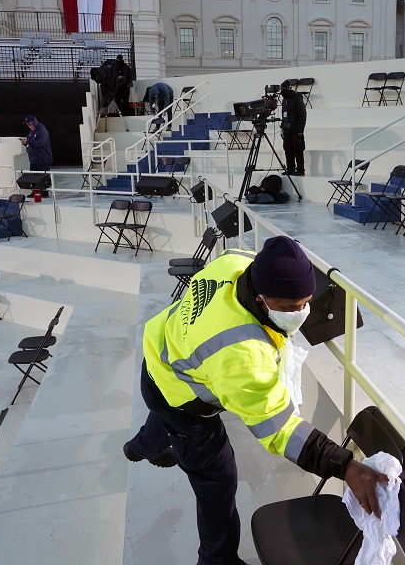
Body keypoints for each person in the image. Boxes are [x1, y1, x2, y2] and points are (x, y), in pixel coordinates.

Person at [123, 235, 389, 565]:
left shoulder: (235, 263)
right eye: (290, 308)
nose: (300, 312)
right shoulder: (243, 354)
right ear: (261, 301)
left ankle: (139, 447)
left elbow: (284, 275)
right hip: (181, 393)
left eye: (306, 302)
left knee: (162, 413)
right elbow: (280, 430)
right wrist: (346, 465)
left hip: (162, 355)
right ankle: (217, 560)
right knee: (216, 477)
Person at [279, 79, 306, 176]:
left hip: (296, 129)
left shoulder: (297, 98)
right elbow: (283, 115)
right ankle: (290, 169)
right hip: (286, 129)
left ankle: (300, 170)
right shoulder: (284, 100)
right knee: (287, 149)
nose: (282, 90)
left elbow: (302, 114)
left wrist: (300, 130)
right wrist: (282, 127)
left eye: (284, 88)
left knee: (298, 149)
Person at [21, 115, 52, 197]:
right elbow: (30, 142)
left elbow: (41, 143)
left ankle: (44, 192)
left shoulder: (43, 131)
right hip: (34, 159)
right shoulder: (32, 132)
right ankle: (35, 192)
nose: (28, 126)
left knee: (43, 176)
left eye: (29, 123)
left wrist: (28, 142)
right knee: (34, 177)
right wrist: (25, 143)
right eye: (27, 124)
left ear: (34, 122)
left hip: (42, 158)